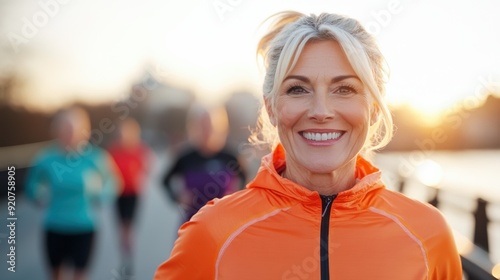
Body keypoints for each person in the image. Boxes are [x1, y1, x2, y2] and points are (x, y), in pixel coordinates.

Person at [154, 11, 462, 279]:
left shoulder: (428, 234)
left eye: (344, 88)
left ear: (374, 108)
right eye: (298, 89)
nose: (320, 111)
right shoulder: (212, 233)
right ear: (271, 108)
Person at [25, 106, 120, 280]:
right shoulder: (46, 158)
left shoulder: (95, 157)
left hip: (84, 226)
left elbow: (113, 182)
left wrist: (101, 195)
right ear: (56, 130)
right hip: (55, 225)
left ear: (84, 131)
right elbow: (31, 184)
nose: (69, 134)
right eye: (65, 129)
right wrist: (37, 195)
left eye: (74, 130)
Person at [161, 103, 247, 225]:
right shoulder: (186, 157)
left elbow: (246, 180)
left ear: (220, 128)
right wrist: (178, 197)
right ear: (194, 128)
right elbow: (165, 181)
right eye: (202, 126)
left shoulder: (230, 157)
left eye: (210, 126)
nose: (206, 131)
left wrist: (235, 197)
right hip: (191, 224)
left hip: (224, 225)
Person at [107, 117, 152, 271]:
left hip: (133, 193)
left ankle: (128, 258)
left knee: (129, 227)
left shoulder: (139, 149)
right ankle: (125, 256)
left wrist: (141, 179)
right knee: (121, 227)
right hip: (118, 193)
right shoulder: (113, 151)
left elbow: (148, 166)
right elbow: (106, 170)